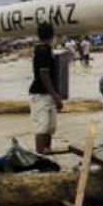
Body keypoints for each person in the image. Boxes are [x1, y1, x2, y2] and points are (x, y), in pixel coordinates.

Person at [29, 23, 65, 153]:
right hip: (41, 94)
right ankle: (41, 156)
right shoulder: (43, 50)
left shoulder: (47, 49)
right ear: (52, 34)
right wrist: (56, 96)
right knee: (42, 128)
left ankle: (47, 152)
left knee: (50, 128)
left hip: (48, 94)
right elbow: (44, 74)